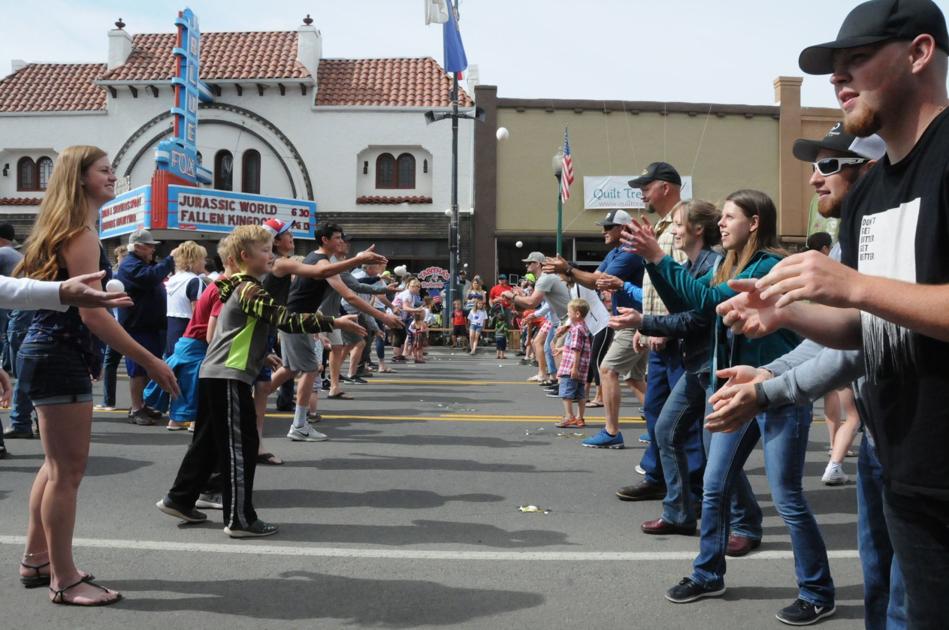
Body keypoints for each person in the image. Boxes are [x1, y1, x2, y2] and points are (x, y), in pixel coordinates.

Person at [715, 3, 949, 624]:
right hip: (903, 464)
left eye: (857, 60)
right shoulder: (871, 192)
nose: (838, 79)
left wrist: (853, 285)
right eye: (833, 68)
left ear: (919, 53)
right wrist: (785, 314)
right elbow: (873, 330)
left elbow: (867, 297)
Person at [624, 189, 835, 624]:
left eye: (730, 217)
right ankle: (707, 574)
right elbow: (691, 305)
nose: (721, 223)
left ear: (754, 223)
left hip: (779, 389)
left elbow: (707, 302)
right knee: (715, 485)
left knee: (787, 497)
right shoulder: (727, 264)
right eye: (721, 217)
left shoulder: (768, 265)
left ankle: (816, 591)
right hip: (739, 389)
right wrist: (653, 262)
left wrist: (657, 258)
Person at [15, 145, 178, 605]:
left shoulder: (69, 230)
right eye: (104, 170)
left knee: (54, 468)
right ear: (81, 178)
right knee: (67, 473)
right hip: (59, 354)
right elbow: (92, 315)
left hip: (50, 353)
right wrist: (151, 360)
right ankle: (64, 579)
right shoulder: (82, 235)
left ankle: (38, 559)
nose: (112, 176)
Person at [156, 225, 366, 538]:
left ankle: (180, 498)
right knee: (242, 447)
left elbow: (240, 328)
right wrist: (333, 321)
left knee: (208, 444)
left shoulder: (237, 284)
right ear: (244, 256)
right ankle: (240, 519)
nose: (272, 256)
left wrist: (262, 353)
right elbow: (286, 319)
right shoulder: (249, 288)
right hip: (228, 375)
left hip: (218, 373)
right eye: (266, 250)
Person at [608, 200, 722, 537]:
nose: (674, 231)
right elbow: (677, 306)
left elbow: (695, 317)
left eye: (679, 225)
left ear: (698, 229)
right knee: (666, 430)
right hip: (697, 364)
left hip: (711, 365)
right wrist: (650, 260)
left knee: (718, 451)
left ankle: (738, 520)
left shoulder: (713, 265)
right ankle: (679, 511)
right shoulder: (691, 264)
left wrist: (645, 321)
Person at [282, 222, 400, 440]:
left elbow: (353, 284)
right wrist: (383, 316)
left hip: (306, 320)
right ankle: (298, 425)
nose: (342, 241)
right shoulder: (321, 262)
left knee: (289, 370)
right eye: (337, 238)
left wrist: (362, 262)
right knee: (310, 368)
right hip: (300, 321)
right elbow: (351, 295)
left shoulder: (324, 261)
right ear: (325, 240)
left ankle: (260, 408)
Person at [543, 208, 648, 449]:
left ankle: (611, 433)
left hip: (633, 322)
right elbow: (594, 279)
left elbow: (597, 282)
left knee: (607, 370)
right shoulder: (616, 252)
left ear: (623, 229)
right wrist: (566, 270)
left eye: (608, 227)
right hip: (629, 321)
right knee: (634, 378)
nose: (603, 231)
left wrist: (567, 269)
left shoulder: (630, 253)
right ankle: (659, 428)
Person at [116, 228, 176, 425]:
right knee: (137, 370)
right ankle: (136, 408)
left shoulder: (141, 264)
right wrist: (170, 260)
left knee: (149, 367)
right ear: (138, 247)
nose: (152, 250)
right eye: (149, 246)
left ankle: (144, 404)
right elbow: (149, 277)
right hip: (137, 326)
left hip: (149, 326)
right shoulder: (130, 265)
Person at [504, 252, 571, 391]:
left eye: (530, 262)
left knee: (556, 350)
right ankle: (558, 381)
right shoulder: (544, 279)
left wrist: (513, 296)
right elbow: (544, 303)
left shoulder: (545, 278)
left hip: (567, 318)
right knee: (553, 348)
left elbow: (531, 303)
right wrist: (522, 298)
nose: (526, 265)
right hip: (563, 318)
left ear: (538, 264)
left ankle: (563, 385)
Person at [554, 298, 592, 428]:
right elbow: (576, 346)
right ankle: (580, 418)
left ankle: (569, 416)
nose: (567, 314)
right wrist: (562, 349)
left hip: (571, 367)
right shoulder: (584, 327)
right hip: (583, 367)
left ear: (577, 314)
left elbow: (576, 349)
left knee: (566, 393)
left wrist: (574, 368)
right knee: (581, 394)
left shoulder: (576, 330)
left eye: (569, 312)